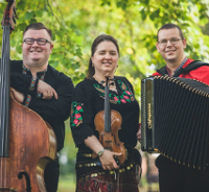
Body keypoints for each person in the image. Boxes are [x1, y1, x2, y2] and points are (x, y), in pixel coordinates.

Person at [7, 22, 74, 192]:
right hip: (5, 160)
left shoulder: (63, 82)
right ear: (22, 45)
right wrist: (33, 84)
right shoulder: (6, 69)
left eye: (41, 41)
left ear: (50, 47)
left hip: (44, 165)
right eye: (29, 40)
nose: (35, 45)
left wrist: (23, 98)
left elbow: (59, 112)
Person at [70, 34, 141, 192]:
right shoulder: (83, 88)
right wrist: (101, 152)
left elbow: (129, 119)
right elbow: (79, 125)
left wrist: (140, 129)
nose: (107, 57)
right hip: (95, 162)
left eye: (112, 53)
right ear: (93, 58)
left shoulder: (125, 84)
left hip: (127, 164)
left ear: (117, 58)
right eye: (102, 53)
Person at [153, 23, 209, 192]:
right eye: (163, 41)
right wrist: (145, 131)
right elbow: (152, 117)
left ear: (184, 42)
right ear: (158, 47)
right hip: (168, 163)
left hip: (202, 162)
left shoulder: (204, 72)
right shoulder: (155, 80)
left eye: (173, 40)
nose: (168, 45)